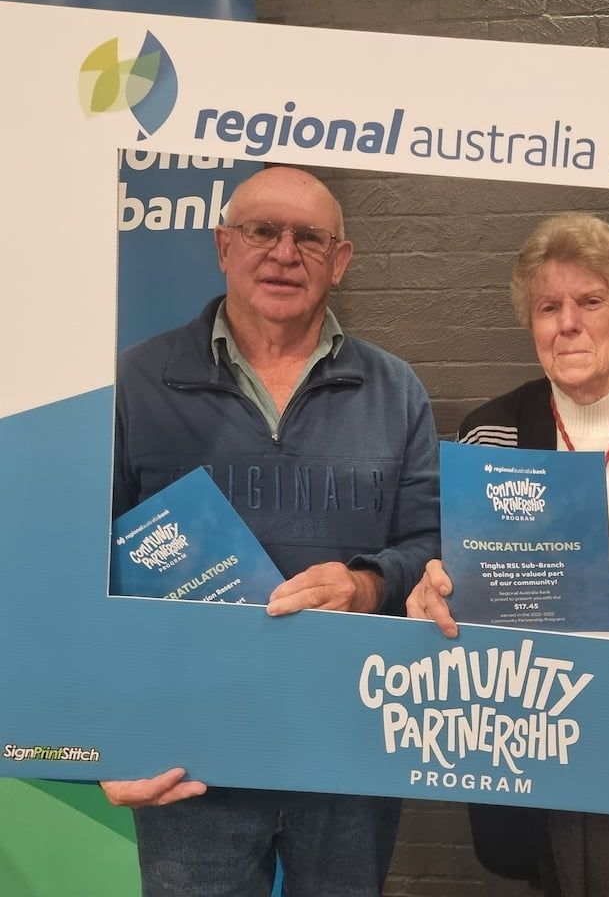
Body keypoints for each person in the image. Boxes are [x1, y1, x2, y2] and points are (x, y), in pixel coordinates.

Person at [102, 166, 440, 897]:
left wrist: (366, 581)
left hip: (350, 742)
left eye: (309, 238)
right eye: (262, 231)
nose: (284, 253)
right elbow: (82, 571)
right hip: (189, 754)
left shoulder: (396, 390)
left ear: (339, 261)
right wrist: (104, 736)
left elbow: (429, 546)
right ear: (224, 245)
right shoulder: (134, 383)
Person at [406, 212, 609, 896]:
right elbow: (462, 583)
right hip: (526, 723)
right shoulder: (487, 435)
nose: (568, 323)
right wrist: (435, 590)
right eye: (548, 307)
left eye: (590, 301)